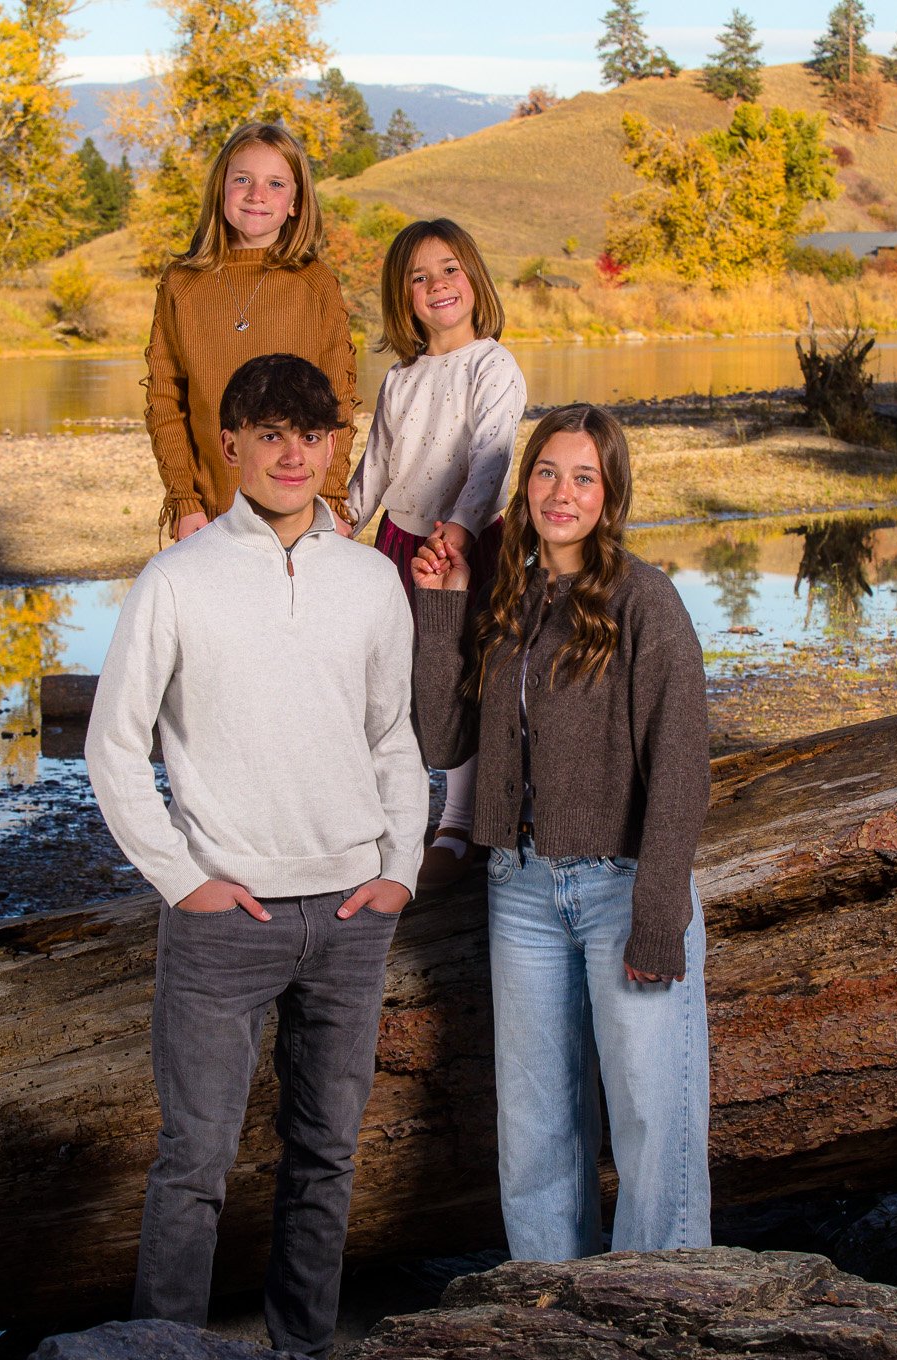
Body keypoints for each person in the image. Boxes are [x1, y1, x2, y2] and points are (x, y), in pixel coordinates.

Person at [85, 353, 426, 1359]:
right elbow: (113, 745)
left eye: (311, 436)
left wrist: (399, 864)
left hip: (349, 917)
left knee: (323, 1156)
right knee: (192, 1161)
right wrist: (181, 879)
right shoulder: (176, 581)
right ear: (228, 444)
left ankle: (300, 1348)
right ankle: (162, 1351)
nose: (291, 454)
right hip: (224, 923)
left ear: (333, 448)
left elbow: (391, 738)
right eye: (269, 434)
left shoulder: (369, 582)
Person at [408, 402, 713, 1262]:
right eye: (546, 472)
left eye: (584, 476)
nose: (561, 492)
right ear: (526, 484)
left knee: (654, 1120)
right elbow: (444, 741)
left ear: (611, 492)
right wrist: (440, 614)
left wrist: (659, 915)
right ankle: (548, 1314)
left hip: (624, 888)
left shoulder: (647, 601)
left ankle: (666, 1311)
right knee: (537, 1127)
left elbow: (683, 767)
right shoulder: (509, 593)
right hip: (522, 889)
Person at [347, 218, 527, 892]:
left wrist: (458, 529)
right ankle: (401, 814)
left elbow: (492, 456)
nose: (437, 285)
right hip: (399, 541)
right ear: (404, 296)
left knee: (461, 672)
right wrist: (339, 524)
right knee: (398, 677)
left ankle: (459, 818)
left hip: (469, 544)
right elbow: (377, 465)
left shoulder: (492, 365)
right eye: (418, 277)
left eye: (449, 268)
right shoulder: (401, 377)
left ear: (474, 276)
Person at [144, 122, 357, 543]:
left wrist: (330, 498)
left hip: (299, 515)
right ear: (220, 189)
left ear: (295, 202)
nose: (257, 194)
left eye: (275, 183)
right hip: (211, 514)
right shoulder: (181, 284)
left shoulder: (315, 283)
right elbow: (165, 400)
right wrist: (185, 501)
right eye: (242, 179)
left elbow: (338, 401)